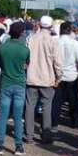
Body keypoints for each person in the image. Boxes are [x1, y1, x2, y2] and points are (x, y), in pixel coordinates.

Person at [0, 22, 31, 156]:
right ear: (21, 34)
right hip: (19, 84)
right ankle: (18, 146)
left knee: (2, 116)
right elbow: (26, 65)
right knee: (18, 117)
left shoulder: (2, 48)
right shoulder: (25, 49)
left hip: (5, 83)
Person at [25, 16, 63, 144]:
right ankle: (46, 135)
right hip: (47, 78)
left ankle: (29, 135)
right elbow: (57, 62)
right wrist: (59, 77)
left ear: (39, 25)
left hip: (31, 77)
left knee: (30, 107)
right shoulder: (53, 41)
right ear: (51, 26)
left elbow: (26, 58)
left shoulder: (31, 39)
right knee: (47, 107)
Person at [54, 22, 78, 130]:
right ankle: (75, 123)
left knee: (56, 102)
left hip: (58, 76)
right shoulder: (75, 44)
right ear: (70, 30)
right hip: (72, 76)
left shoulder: (55, 42)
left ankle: (54, 123)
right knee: (73, 101)